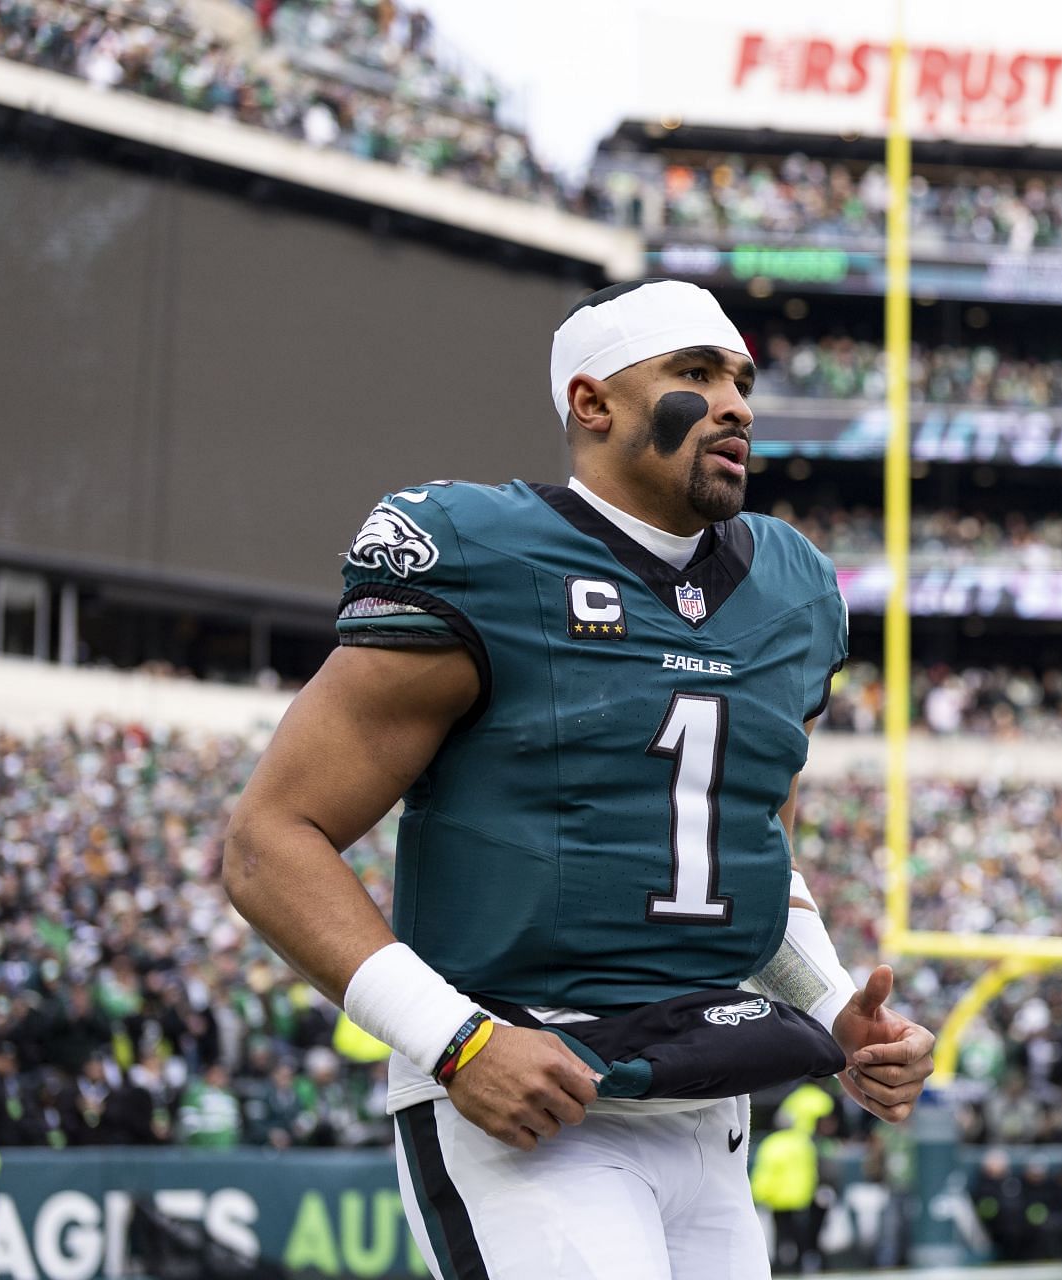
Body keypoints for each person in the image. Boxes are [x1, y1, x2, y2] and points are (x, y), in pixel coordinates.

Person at [224, 279, 936, 1280]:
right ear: (592, 403)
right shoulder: (486, 554)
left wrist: (831, 1009)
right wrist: (458, 1042)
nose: (734, 401)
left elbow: (743, 859)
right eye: (694, 372)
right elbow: (267, 841)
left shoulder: (793, 589)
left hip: (711, 1097)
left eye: (739, 376)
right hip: (536, 1091)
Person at [750, 1104, 818, 1274]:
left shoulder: (772, 1143)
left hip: (778, 1198)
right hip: (800, 1197)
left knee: (781, 1234)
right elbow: (812, 1169)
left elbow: (765, 1172)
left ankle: (782, 1265)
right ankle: (804, 1263)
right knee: (800, 1232)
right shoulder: (803, 1142)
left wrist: (759, 1193)